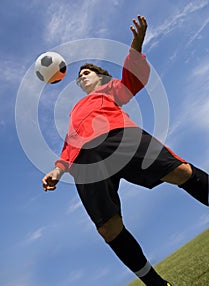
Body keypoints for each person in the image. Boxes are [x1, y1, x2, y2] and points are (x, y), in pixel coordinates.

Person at [42, 15, 208, 286]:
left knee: (181, 172)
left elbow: (133, 80)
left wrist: (136, 47)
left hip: (119, 137)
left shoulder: (110, 90)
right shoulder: (76, 110)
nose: (82, 77)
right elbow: (70, 143)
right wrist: (58, 170)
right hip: (87, 159)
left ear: (101, 76)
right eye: (79, 76)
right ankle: (156, 284)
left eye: (87, 72)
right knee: (108, 228)